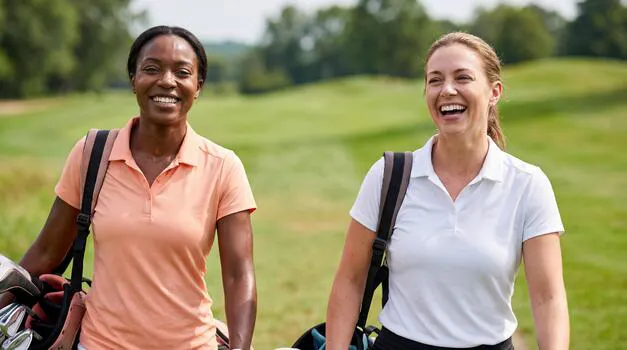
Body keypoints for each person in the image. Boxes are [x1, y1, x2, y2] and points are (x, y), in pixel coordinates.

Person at [0, 26, 257, 350]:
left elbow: (239, 277)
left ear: (198, 85)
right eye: (151, 69)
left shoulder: (223, 166)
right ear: (133, 78)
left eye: (182, 72)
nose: (166, 81)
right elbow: (46, 252)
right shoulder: (92, 153)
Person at [325, 32, 569, 350]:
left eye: (463, 77)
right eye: (435, 80)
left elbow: (548, 298)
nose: (447, 90)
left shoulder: (528, 185)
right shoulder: (389, 176)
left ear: (494, 92)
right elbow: (350, 280)